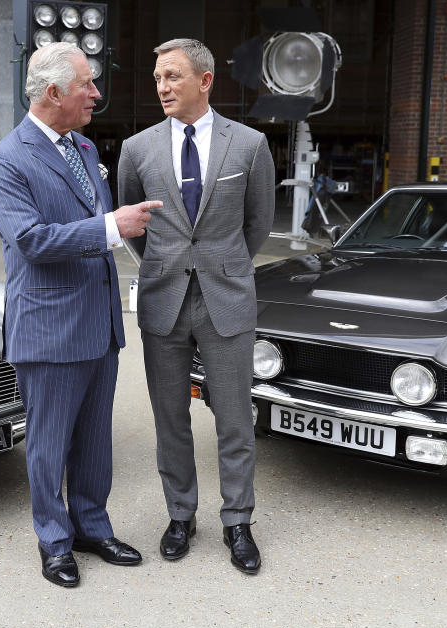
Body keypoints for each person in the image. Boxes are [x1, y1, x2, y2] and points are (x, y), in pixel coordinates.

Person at [0, 42, 159, 588]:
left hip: (98, 324)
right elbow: (32, 240)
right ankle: (54, 543)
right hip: (51, 329)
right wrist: (114, 227)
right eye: (87, 84)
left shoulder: (82, 147)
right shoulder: (6, 160)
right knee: (49, 443)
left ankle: (91, 527)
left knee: (94, 440)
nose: (96, 93)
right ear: (54, 91)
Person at [117, 38, 275, 575]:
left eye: (173, 77)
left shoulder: (249, 145)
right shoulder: (136, 149)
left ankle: (237, 521)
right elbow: (138, 231)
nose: (162, 87)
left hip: (226, 299)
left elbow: (257, 225)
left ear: (205, 81)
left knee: (233, 419)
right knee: (170, 419)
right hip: (163, 299)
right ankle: (180, 514)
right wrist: (170, 262)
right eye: (157, 77)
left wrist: (220, 265)